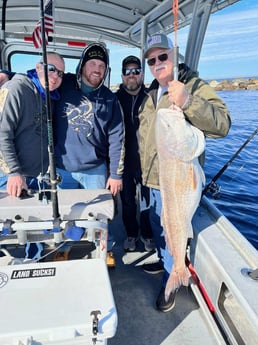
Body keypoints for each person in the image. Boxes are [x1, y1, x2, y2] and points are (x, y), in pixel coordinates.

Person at [138, 33, 231, 312]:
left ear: (174, 56)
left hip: (177, 179)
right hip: (153, 179)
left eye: (162, 57)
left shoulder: (192, 86)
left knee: (175, 231)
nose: (157, 63)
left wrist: (188, 101)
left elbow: (223, 124)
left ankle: (173, 275)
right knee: (159, 227)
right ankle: (162, 258)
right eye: (152, 60)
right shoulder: (150, 92)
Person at [53, 43, 124, 267]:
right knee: (67, 214)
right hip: (63, 167)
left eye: (102, 65)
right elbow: (39, 79)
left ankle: (106, 246)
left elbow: (117, 138)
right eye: (92, 63)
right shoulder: (63, 84)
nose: (97, 69)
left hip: (95, 167)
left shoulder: (110, 99)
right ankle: (64, 247)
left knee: (100, 214)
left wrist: (116, 174)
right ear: (82, 65)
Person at [0, 52, 65, 257]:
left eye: (61, 73)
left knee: (33, 232)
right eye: (51, 69)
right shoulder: (15, 88)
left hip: (39, 178)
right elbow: (2, 134)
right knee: (7, 231)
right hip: (11, 176)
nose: (55, 76)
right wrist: (14, 172)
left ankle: (33, 260)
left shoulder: (50, 96)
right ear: (38, 68)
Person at [115, 55, 154, 252]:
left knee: (147, 204)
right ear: (122, 76)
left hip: (147, 163)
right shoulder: (114, 99)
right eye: (128, 71)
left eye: (136, 71)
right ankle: (131, 234)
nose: (132, 75)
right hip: (124, 163)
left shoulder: (151, 97)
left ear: (141, 74)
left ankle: (148, 235)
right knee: (128, 202)